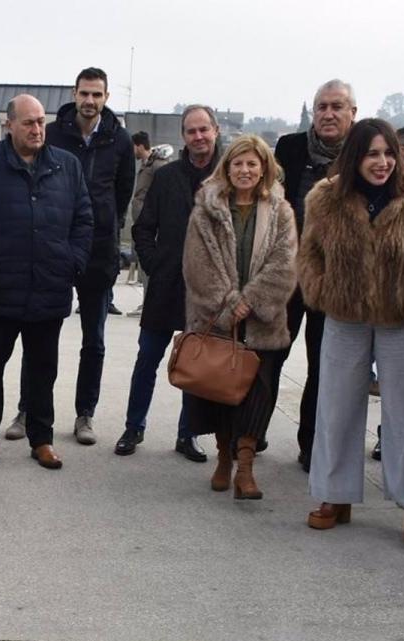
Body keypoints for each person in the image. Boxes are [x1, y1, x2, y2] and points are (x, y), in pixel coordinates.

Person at [298, 118, 404, 546]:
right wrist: (322, 289)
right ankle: (335, 494)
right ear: (355, 157)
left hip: (403, 317)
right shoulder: (325, 198)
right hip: (345, 315)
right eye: (372, 153)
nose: (382, 162)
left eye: (388, 153)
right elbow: (308, 251)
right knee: (336, 407)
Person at [0, 94, 93, 470]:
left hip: (49, 286)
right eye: (29, 122)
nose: (37, 129)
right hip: (0, 287)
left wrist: (72, 262)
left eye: (41, 122)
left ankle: (42, 439)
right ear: (10, 125)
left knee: (43, 370)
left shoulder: (67, 166)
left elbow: (84, 219)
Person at [4, 67, 134, 446]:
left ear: (106, 98)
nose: (90, 101)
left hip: (99, 252)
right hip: (54, 249)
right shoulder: (54, 134)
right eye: (84, 93)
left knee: (93, 339)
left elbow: (123, 191)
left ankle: (84, 415)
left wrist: (106, 225)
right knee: (40, 337)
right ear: (74, 94)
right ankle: (28, 409)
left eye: (97, 94)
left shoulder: (120, 140)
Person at [182, 134, 298, 498]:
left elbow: (286, 263)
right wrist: (229, 304)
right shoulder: (207, 209)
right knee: (219, 391)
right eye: (238, 163)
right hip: (217, 318)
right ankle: (222, 457)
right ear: (227, 168)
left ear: (264, 168)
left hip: (264, 322)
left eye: (252, 163)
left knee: (258, 394)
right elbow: (197, 263)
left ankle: (245, 467)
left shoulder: (281, 211)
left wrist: (253, 299)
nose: (245, 170)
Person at [114, 106, 223, 461]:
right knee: (147, 357)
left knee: (197, 367)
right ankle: (134, 427)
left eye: (203, 129)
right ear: (183, 136)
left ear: (216, 130)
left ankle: (187, 433)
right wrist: (154, 264)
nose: (198, 137)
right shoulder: (166, 176)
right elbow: (143, 227)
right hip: (167, 282)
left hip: (208, 290)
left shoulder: (228, 178)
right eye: (191, 131)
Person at [273, 79, 358, 472]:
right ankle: (249, 436)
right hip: (287, 275)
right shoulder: (289, 147)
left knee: (323, 367)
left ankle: (310, 444)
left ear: (352, 114)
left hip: (333, 280)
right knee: (268, 356)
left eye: (337, 106)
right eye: (322, 106)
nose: (328, 113)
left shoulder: (363, 153)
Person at [125, 131, 174, 318]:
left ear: (138, 146)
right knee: (143, 268)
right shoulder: (147, 165)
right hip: (142, 225)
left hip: (153, 226)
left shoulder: (158, 166)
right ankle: (146, 302)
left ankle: (150, 304)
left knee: (150, 268)